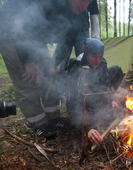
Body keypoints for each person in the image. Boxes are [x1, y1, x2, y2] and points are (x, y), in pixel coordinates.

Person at [0, 0, 91, 138]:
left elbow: (68, 40)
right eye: (81, 1)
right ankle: (38, 123)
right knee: (28, 78)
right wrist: (28, 61)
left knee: (49, 76)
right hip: (12, 32)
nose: (84, 6)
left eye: (88, 1)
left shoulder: (79, 12)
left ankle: (53, 116)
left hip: (36, 37)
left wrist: (53, 63)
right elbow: (22, 25)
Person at [65, 38, 124, 146]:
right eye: (94, 57)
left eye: (100, 57)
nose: (98, 60)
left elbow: (104, 85)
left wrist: (112, 100)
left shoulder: (101, 62)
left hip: (94, 96)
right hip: (81, 101)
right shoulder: (76, 67)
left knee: (116, 70)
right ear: (86, 54)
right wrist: (87, 128)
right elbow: (72, 102)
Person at [56, 0, 100, 72]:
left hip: (82, 31)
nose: (84, 6)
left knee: (84, 64)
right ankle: (59, 80)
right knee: (61, 64)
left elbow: (93, 14)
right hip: (65, 33)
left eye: (87, 2)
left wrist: (95, 38)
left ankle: (81, 82)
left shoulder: (90, 3)